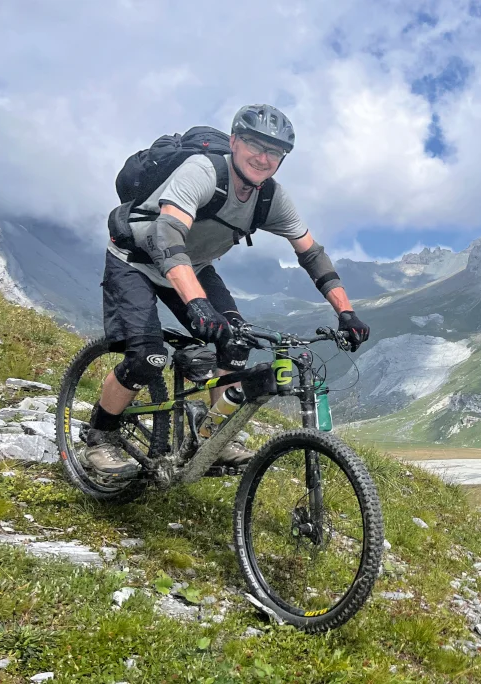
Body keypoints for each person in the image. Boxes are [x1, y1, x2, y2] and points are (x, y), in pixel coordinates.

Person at [86, 104, 370, 478]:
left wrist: (345, 313)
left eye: (274, 151)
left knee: (236, 342)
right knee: (148, 357)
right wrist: (198, 304)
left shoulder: (270, 198)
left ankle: (216, 439)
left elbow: (312, 254)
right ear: (234, 141)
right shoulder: (202, 172)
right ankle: (99, 436)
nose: (263, 157)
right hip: (135, 260)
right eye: (254, 143)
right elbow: (167, 235)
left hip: (194, 266)